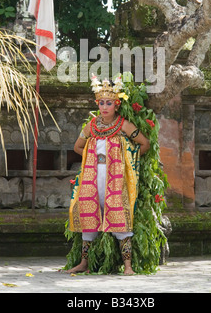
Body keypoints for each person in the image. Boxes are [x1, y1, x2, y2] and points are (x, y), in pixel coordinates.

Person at [67, 75, 150, 275]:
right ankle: (83, 263)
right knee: (89, 218)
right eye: (101, 103)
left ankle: (128, 266)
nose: (104, 107)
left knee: (119, 218)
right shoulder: (91, 127)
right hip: (94, 175)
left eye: (109, 103)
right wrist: (91, 157)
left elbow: (145, 143)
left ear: (116, 105)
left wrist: (128, 159)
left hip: (116, 178)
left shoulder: (124, 126)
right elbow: (78, 146)